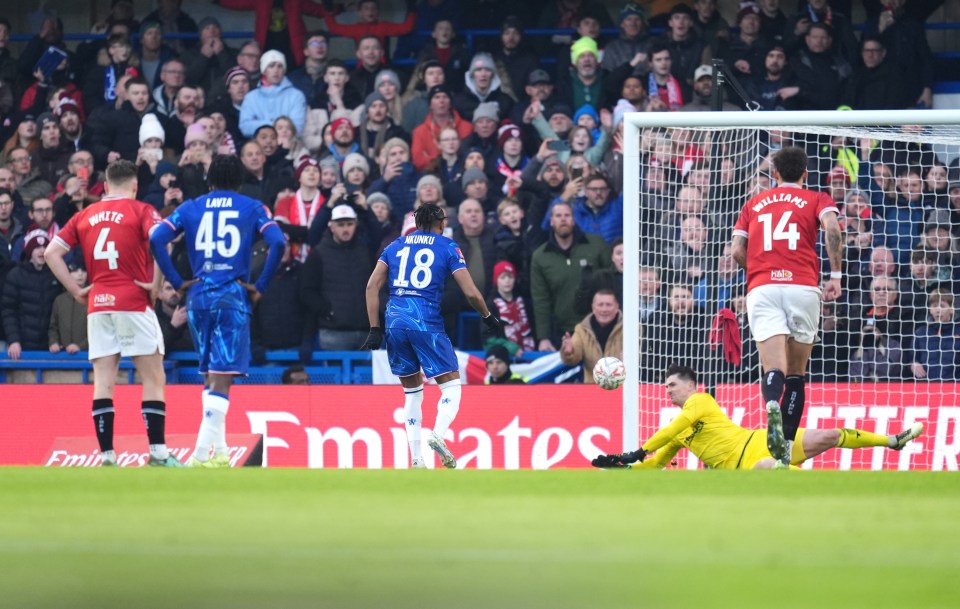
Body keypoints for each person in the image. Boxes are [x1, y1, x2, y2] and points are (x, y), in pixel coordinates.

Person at [149, 154, 286, 468]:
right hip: (231, 296)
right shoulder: (252, 207)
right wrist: (261, 286)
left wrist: (176, 280)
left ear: (209, 180)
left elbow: (157, 238)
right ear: (239, 181)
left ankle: (221, 454)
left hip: (197, 297)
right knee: (222, 378)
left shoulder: (190, 207)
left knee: (211, 375)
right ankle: (199, 457)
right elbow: (277, 242)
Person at [44, 159, 183, 467]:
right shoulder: (142, 210)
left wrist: (75, 289)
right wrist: (156, 283)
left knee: (103, 381)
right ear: (134, 186)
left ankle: (107, 455)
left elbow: (51, 252)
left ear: (105, 187)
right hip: (132, 300)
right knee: (153, 376)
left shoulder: (84, 215)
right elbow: (161, 240)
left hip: (98, 305)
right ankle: (158, 452)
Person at [361, 203, 504, 469]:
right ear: (441, 222)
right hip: (425, 321)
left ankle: (416, 460)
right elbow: (471, 292)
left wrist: (374, 328)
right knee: (450, 386)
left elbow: (372, 286)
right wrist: (487, 317)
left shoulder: (394, 246)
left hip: (394, 322)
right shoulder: (448, 246)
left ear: (415, 222)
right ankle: (438, 434)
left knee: (412, 393)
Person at [730, 146, 842, 466]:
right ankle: (787, 449)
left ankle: (770, 405)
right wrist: (835, 275)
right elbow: (832, 229)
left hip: (763, 287)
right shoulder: (817, 199)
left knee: (773, 367)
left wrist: (758, 271)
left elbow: (737, 248)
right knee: (796, 373)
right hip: (802, 286)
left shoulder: (754, 203)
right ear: (805, 173)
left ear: (775, 174)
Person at [591, 365, 924, 470]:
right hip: (745, 466)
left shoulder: (701, 401)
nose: (667, 391)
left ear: (691, 385)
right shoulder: (680, 431)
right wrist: (626, 467)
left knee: (830, 435)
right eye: (665, 386)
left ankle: (892, 441)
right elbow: (657, 464)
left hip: (759, 440)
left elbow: (673, 427)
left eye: (672, 385)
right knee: (774, 470)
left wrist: (636, 450)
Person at [560, 289, 623, 385]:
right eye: (600, 305)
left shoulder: (631, 328)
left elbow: (643, 357)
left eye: (608, 305)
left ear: (617, 307)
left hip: (623, 388)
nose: (604, 309)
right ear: (593, 308)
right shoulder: (581, 329)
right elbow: (572, 360)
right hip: (591, 388)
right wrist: (568, 352)